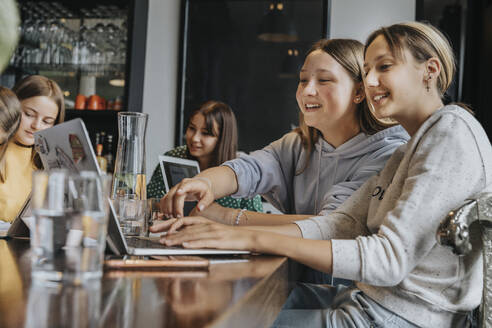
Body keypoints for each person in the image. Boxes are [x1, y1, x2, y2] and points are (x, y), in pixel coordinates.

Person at [152, 21, 491, 327]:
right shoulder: (410, 148)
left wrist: (242, 231)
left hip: (399, 316)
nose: (370, 81)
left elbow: (388, 259)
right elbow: (340, 224)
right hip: (369, 302)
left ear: (430, 70)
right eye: (368, 70)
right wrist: (224, 220)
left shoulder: (449, 132)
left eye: (384, 67)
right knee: (226, 306)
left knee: (231, 319)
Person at [159, 39, 409, 227]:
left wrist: (225, 217)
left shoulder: (386, 154)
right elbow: (250, 168)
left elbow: (330, 226)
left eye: (323, 80)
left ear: (359, 92)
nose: (307, 90)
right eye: (302, 80)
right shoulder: (299, 144)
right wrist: (205, 183)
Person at [147, 100, 263, 212]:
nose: (194, 138)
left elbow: (256, 220)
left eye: (206, 133)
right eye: (192, 128)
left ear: (222, 139)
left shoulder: (242, 170)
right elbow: (149, 201)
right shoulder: (174, 157)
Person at [0, 75, 65, 222]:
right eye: (29, 114)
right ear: (12, 107)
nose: (36, 126)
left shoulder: (47, 165)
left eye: (47, 121)